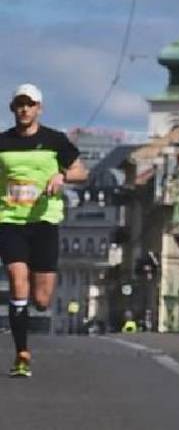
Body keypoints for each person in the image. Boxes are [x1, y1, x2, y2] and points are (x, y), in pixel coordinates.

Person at [0, 84, 86, 377]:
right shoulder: (2, 142)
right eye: (19, 104)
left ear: (39, 108)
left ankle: (34, 311)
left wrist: (61, 176)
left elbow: (81, 171)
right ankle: (21, 353)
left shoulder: (54, 140)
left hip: (45, 221)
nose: (24, 109)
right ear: (12, 108)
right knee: (16, 278)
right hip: (11, 219)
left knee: (42, 299)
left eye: (30, 104)